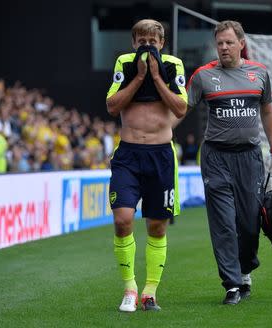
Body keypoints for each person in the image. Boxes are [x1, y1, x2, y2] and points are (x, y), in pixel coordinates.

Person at [187, 20, 272, 305]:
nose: (224, 48)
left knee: (250, 222)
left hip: (250, 157)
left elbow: (267, 112)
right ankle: (231, 284)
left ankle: (245, 269)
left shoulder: (259, 74)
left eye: (229, 42)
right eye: (219, 43)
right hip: (215, 157)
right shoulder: (202, 76)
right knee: (224, 223)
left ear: (241, 43)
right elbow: (181, 109)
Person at [105, 19, 187, 312]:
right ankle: (129, 287)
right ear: (134, 43)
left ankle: (150, 291)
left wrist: (156, 76)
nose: (147, 47)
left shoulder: (174, 65)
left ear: (162, 44)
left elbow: (180, 107)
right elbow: (112, 106)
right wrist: (139, 78)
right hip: (128, 155)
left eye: (153, 42)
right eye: (142, 42)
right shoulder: (124, 64)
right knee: (122, 219)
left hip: (161, 156)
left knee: (156, 226)